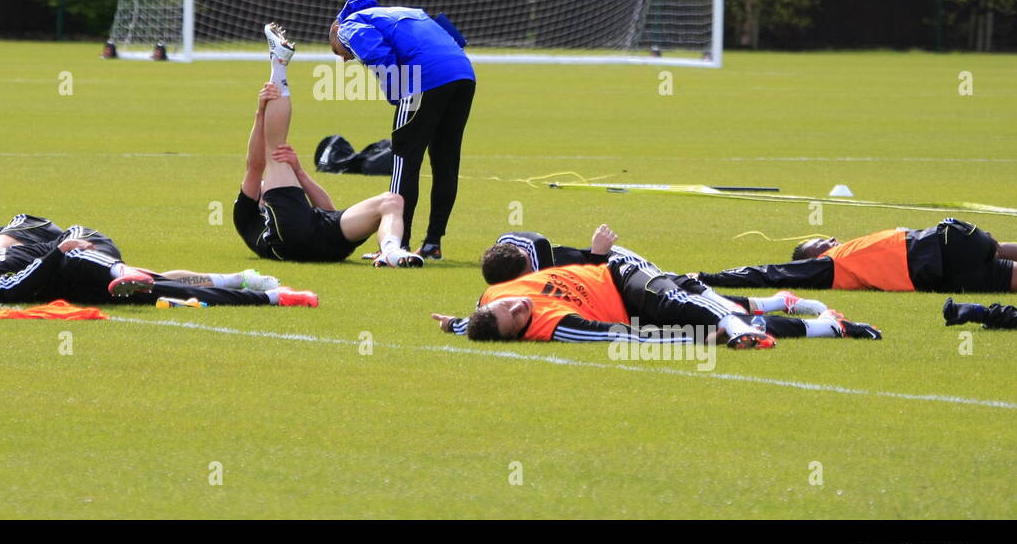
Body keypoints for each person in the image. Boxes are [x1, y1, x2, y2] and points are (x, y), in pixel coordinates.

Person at [433, 226, 881, 346]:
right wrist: (693, 342)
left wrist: (453, 325)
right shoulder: (553, 327)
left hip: (621, 273)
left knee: (674, 297)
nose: (518, 310)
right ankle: (830, 326)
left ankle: (760, 312)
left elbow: (469, 323)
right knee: (719, 329)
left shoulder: (489, 300)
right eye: (516, 324)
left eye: (509, 308)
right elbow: (624, 336)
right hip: (628, 313)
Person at [232, 23, 423, 267]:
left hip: (329, 243)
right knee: (276, 151)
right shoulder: (247, 213)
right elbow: (254, 166)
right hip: (290, 242)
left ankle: (390, 251)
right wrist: (260, 112)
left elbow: (328, 209)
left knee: (392, 201)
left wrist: (300, 172)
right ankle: (278, 63)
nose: (264, 183)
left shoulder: (292, 201)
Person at [329, 0, 476, 259]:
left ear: (335, 30)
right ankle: (433, 244)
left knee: (404, 163)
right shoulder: (408, 12)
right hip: (463, 74)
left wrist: (397, 95)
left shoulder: (350, 25)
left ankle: (397, 245)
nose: (346, 59)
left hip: (424, 78)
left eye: (340, 53)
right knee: (445, 162)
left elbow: (378, 55)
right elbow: (454, 38)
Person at [0, 225, 317, 307]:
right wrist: (58, 250)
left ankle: (122, 275)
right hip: (76, 270)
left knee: (149, 282)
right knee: (164, 290)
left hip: (82, 257)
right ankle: (268, 294)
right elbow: (22, 283)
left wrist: (59, 241)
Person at [0, 213, 278, 294]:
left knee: (145, 280)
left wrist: (56, 247)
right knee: (157, 280)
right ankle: (237, 282)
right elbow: (18, 278)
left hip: (64, 242)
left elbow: (13, 252)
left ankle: (244, 287)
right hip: (62, 254)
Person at [485, 227, 831, 317]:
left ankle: (782, 311)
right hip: (608, 286)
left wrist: (596, 254)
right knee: (689, 303)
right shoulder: (523, 282)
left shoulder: (533, 254)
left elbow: (538, 243)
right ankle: (776, 302)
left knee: (692, 300)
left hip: (619, 266)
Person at [696, 218, 1017, 294]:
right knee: (994, 249)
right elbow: (768, 272)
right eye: (820, 242)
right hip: (945, 248)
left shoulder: (853, 255)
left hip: (940, 276)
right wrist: (707, 278)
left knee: (1000, 265)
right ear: (813, 257)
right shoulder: (832, 262)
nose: (831, 239)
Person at [943, 298, 1017, 329]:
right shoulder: (961, 307)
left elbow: (961, 319)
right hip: (992, 314)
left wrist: (951, 322)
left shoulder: (964, 310)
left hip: (993, 316)